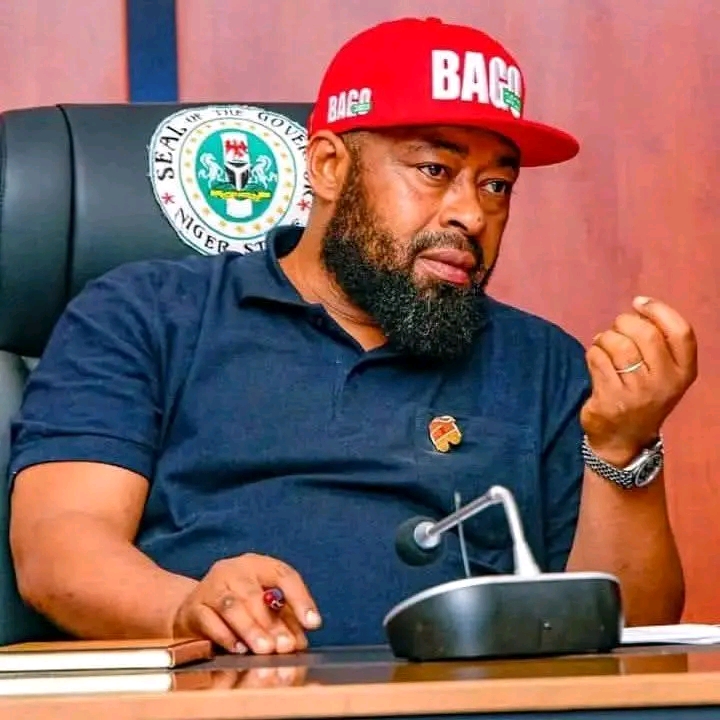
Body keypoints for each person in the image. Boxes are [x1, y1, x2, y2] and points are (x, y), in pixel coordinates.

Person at [8, 17, 697, 656]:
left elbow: (630, 635)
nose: (471, 214)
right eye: (435, 170)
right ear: (330, 167)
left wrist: (623, 447)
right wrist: (189, 610)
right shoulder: (146, 314)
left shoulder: (543, 364)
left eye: (496, 185)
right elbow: (58, 550)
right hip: (227, 701)